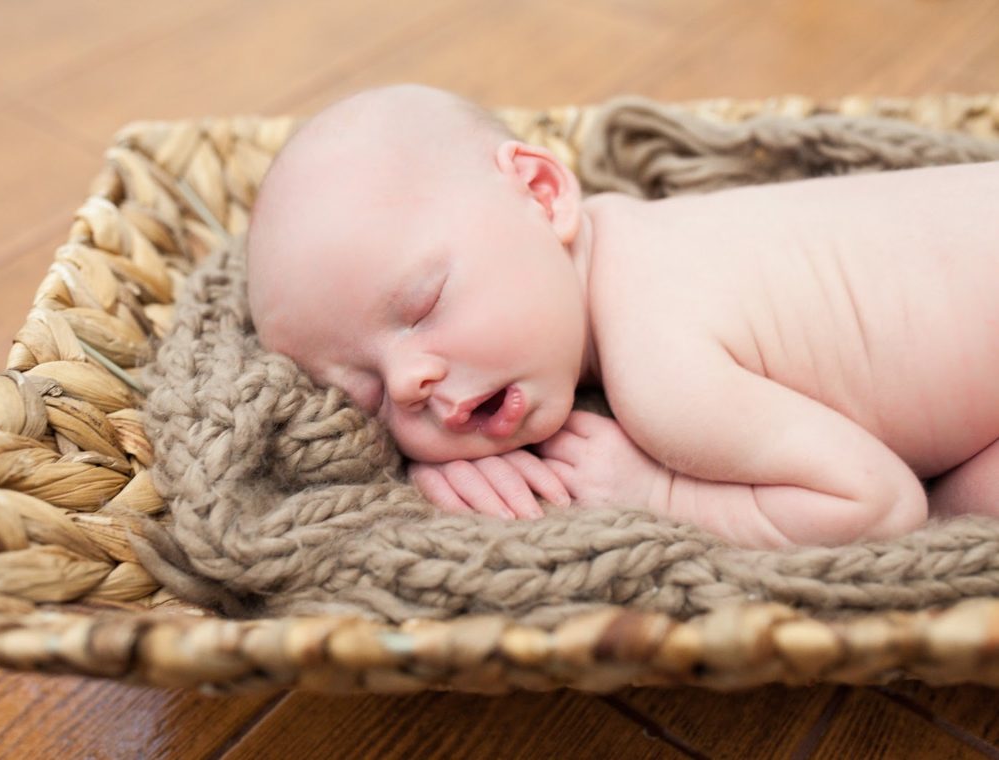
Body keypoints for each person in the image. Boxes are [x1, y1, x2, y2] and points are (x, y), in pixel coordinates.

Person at [245, 84, 999, 548]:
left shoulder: (661, 367)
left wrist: (659, 495)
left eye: (422, 304)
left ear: (542, 194)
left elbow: (881, 507)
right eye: (367, 397)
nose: (409, 381)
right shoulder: (639, 243)